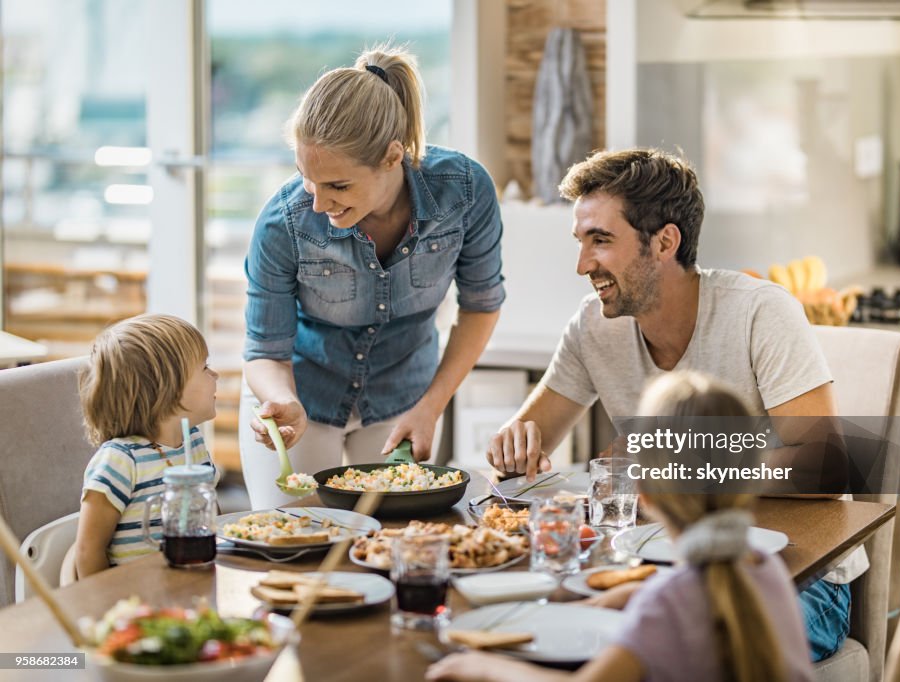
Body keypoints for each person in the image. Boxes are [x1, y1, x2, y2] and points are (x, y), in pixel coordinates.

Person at [485, 148, 863, 662]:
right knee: (542, 630)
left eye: (601, 241)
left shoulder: (760, 313)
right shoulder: (594, 326)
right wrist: (514, 442)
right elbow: (530, 437)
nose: (582, 265)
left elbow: (829, 467)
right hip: (670, 571)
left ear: (664, 242)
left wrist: (680, 460)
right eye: (581, 241)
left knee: (643, 655)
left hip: (797, 581)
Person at [241, 44, 505, 509]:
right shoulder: (283, 222)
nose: (319, 203)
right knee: (296, 543)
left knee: (391, 544)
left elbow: (481, 305)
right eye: (307, 178)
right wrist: (282, 400)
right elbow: (265, 350)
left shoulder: (464, 193)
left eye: (338, 185)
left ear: (392, 157)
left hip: (406, 395)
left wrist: (431, 407)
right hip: (304, 396)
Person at [428, 372, 814, 682]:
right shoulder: (764, 567)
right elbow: (700, 590)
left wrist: (485, 668)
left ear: (640, 491)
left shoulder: (664, 607)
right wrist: (640, 588)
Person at [75, 314, 219, 577]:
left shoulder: (194, 442)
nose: (215, 374)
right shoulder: (120, 460)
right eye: (205, 367)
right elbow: (87, 551)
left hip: (191, 586)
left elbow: (212, 523)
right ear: (167, 387)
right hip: (136, 598)